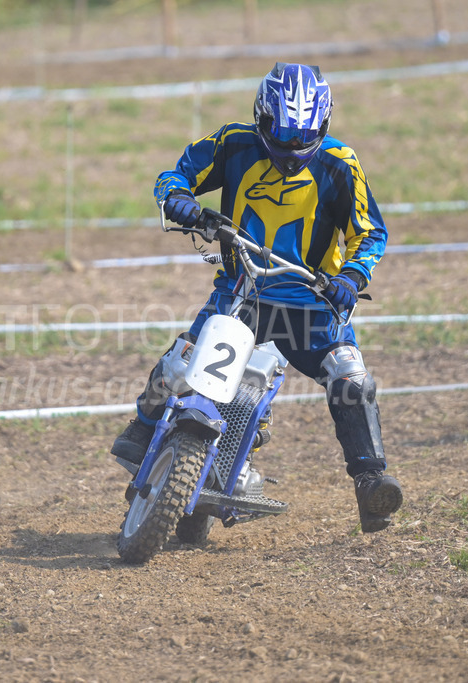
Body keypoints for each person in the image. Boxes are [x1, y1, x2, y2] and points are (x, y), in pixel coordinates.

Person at [111, 63, 402, 533]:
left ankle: (372, 483)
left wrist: (350, 276)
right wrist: (182, 201)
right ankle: (143, 428)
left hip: (313, 302)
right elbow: (174, 174)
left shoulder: (340, 163)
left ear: (323, 125)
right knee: (184, 361)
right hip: (242, 289)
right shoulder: (233, 143)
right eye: (280, 135)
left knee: (350, 377)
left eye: (302, 137)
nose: (290, 148)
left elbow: (369, 234)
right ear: (261, 118)